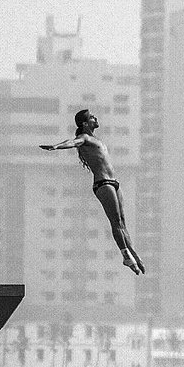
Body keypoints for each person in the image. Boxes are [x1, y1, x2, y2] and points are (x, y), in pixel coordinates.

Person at [40, 109, 145, 275]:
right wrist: (56, 146)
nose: (95, 118)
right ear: (85, 123)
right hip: (103, 183)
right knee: (116, 221)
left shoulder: (98, 140)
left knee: (122, 222)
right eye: (92, 117)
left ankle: (133, 255)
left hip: (114, 182)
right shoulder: (85, 138)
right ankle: (125, 255)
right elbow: (72, 142)